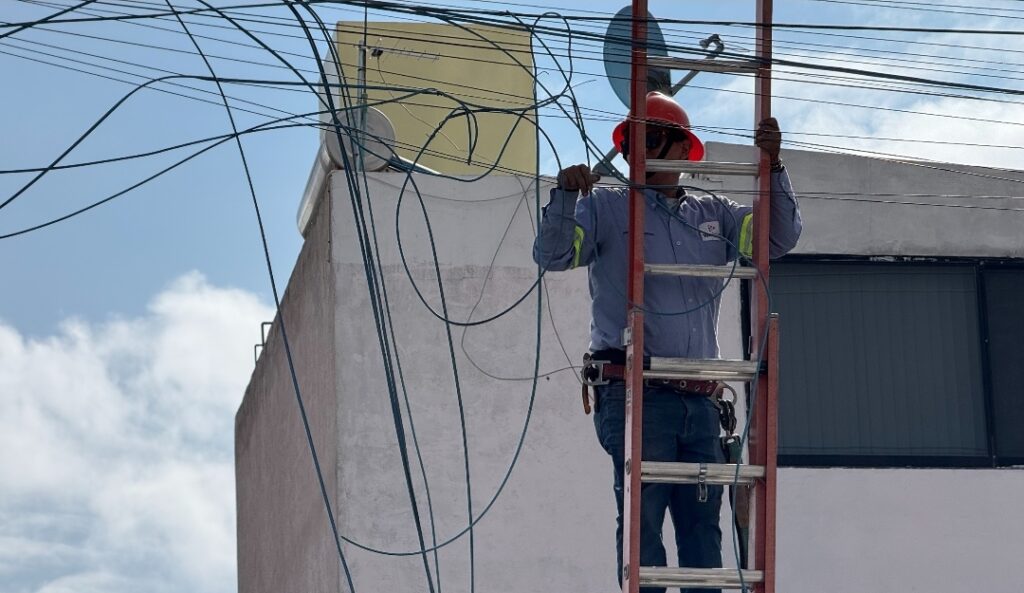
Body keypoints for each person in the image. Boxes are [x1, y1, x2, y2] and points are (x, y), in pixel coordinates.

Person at [532, 91, 802, 593]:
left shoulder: (715, 215)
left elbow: (776, 240)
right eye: (635, 141)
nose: (642, 150)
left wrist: (774, 167)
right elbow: (553, 255)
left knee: (702, 532)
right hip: (635, 393)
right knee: (644, 526)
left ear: (681, 147)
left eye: (654, 138)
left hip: (699, 402)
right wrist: (565, 198)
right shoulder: (606, 208)